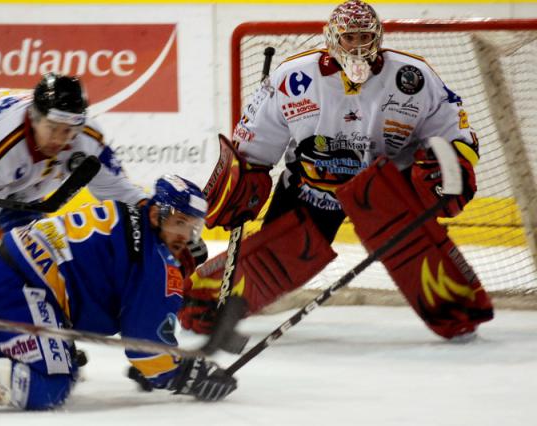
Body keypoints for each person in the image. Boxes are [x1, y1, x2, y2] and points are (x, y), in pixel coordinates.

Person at [180, 0, 493, 339]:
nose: (359, 46)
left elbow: (453, 131)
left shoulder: (413, 77)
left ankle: (456, 311)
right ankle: (198, 301)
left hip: (385, 189)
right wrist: (246, 177)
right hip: (312, 187)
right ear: (332, 38)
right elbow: (255, 140)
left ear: (378, 38)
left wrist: (454, 165)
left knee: (414, 245)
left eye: (365, 36)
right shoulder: (293, 78)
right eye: (349, 38)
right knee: (280, 258)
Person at [0, 175, 236, 410]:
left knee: (64, 362)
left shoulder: (123, 214)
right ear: (157, 213)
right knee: (52, 384)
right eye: (180, 222)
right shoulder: (158, 262)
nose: (184, 235)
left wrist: (156, 362)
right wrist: (183, 373)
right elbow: (147, 348)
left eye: (192, 227)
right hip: (18, 293)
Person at [0, 72, 148, 257]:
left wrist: (156, 216)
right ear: (34, 118)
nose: (59, 139)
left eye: (68, 131)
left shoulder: (86, 138)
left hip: (17, 185)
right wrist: (21, 264)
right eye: (53, 127)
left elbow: (119, 190)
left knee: (39, 250)